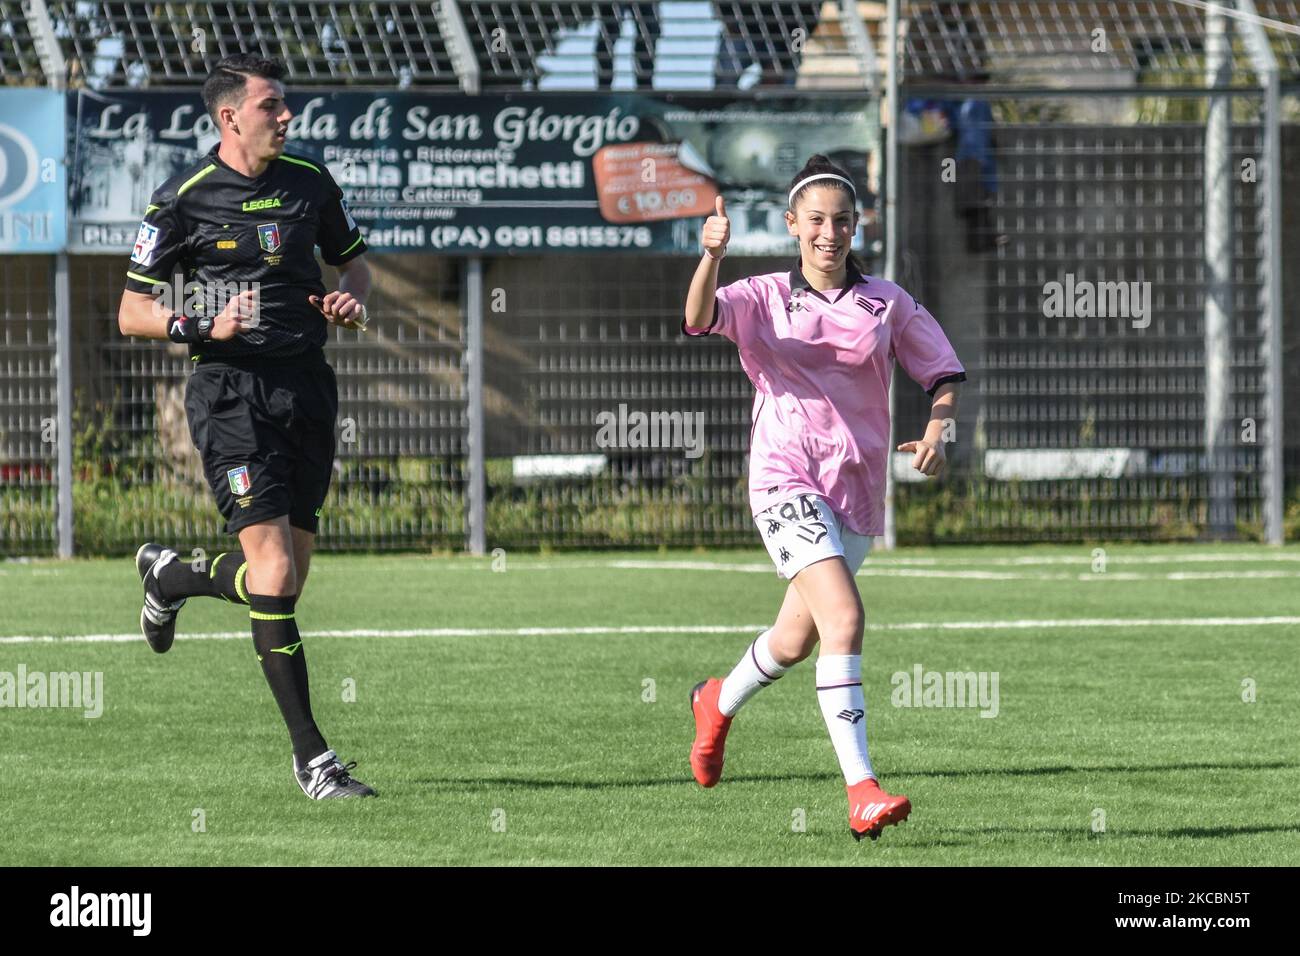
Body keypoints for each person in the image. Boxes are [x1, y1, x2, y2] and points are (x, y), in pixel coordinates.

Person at [682, 155, 966, 841]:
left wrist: (938, 432)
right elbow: (697, 318)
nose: (829, 233)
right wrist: (709, 259)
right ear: (791, 226)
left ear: (856, 227)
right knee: (844, 618)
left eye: (841, 221)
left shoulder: (887, 302)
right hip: (783, 480)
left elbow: (944, 374)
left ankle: (717, 701)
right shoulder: (759, 296)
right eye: (816, 221)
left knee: (795, 638)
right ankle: (861, 789)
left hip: (857, 492)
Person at [117, 53, 375, 800]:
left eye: (285, 105)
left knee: (284, 582)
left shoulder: (311, 183)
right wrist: (199, 321)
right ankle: (314, 761)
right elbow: (131, 310)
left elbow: (356, 265)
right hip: (230, 395)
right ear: (230, 117)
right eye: (272, 106)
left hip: (308, 391)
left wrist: (349, 298)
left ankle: (173, 576)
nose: (286, 116)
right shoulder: (183, 199)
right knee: (275, 575)